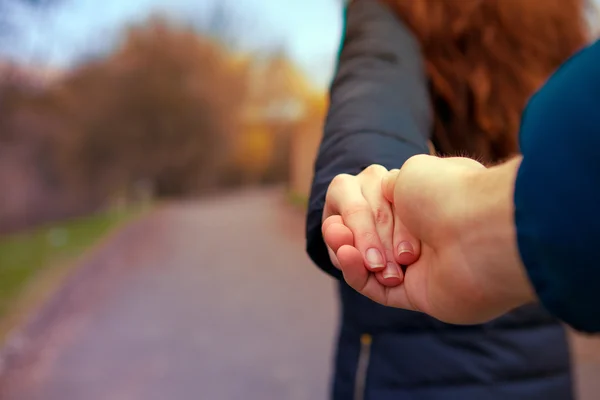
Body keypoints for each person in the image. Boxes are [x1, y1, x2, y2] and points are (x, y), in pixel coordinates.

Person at [306, 0, 592, 399]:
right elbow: (376, 89)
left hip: (408, 340)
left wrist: (376, 198)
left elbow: (373, 81)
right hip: (531, 310)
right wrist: (374, 182)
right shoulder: (558, 14)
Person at [338, 37, 600, 333]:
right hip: (540, 292)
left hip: (536, 292)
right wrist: (382, 184)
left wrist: (470, 220)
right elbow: (375, 94)